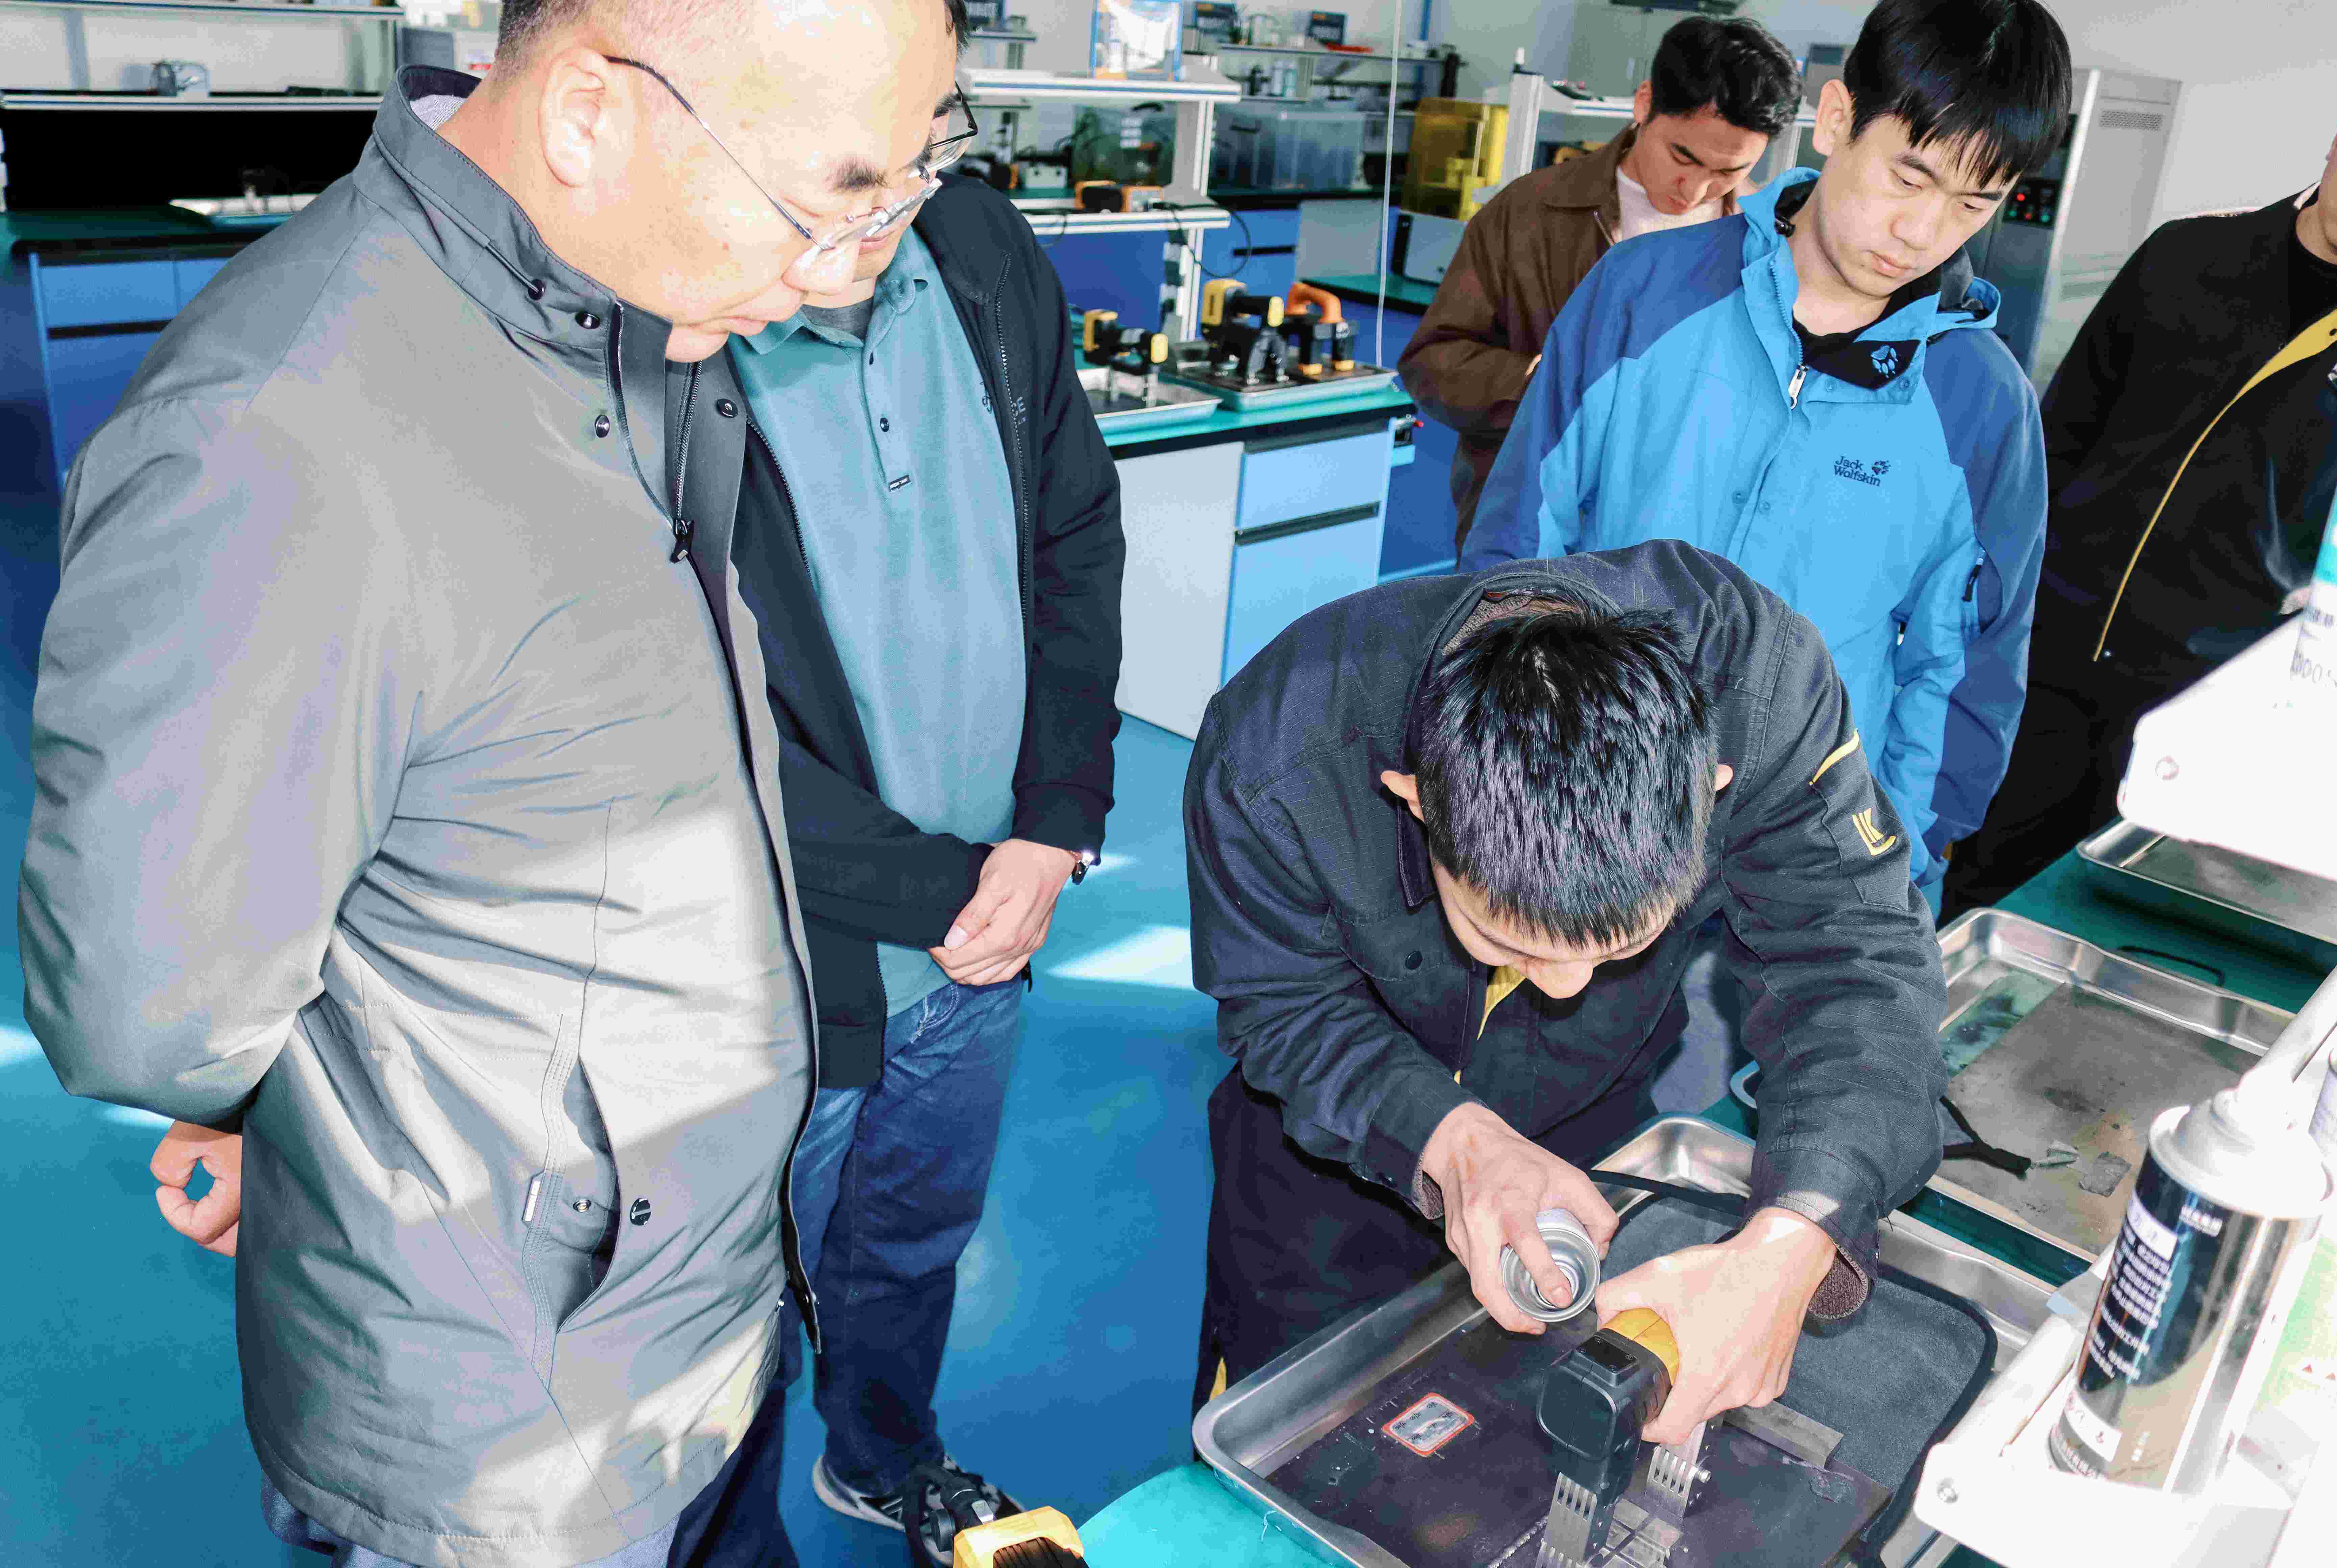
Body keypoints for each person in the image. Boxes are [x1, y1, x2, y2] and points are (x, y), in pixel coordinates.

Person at [25, 0, 964, 1563]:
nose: (848, 273)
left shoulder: (627, 309)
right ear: (589, 112)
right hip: (510, 1427)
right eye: (830, 198)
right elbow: (153, 1002)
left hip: (702, 1325)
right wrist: (291, 1113)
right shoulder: (282, 439)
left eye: (913, 176)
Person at [1184, 542, 1949, 1436]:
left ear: (1714, 792)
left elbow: (1854, 962)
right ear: (1416, 803)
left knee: (1530, 1430)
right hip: (1331, 1158)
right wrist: (1451, 1139)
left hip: (1589, 1126)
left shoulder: (1764, 694)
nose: (1565, 987)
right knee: (1294, 1438)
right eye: (1509, 943)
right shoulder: (1278, 754)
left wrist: (1797, 1235)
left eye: (1623, 945)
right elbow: (1284, 1001)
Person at [724, 59, 1123, 1554]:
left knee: (912, 1237)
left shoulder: (975, 243)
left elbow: (1076, 531)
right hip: (789, 954)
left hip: (991, 919)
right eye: (855, 174)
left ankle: (884, 1457)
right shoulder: (667, 326)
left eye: (925, 147)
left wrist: (1055, 821)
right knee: (733, 1300)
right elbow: (681, 719)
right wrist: (947, 890)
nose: (897, 201)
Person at [1460, 0, 2072, 915]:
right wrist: (1504, 773)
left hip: (1807, 871)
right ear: (1836, 120)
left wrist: (1891, 868)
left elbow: (1964, 674)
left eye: (1973, 204)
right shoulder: (1642, 294)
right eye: (1908, 177)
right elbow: (1517, 547)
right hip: (1579, 815)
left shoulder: (1981, 404)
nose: (1923, 231)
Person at [1945, 110, 2337, 912]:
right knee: (1977, 888)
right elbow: (2057, 442)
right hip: (2051, 652)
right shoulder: (2189, 254)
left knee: (2113, 912)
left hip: (2197, 700)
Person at [1397, 17, 1802, 553]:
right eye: (1682, 156)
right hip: (1528, 527)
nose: (1694, 191)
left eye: (1728, 171)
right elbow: (1431, 362)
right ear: (1644, 104)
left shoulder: (1768, 243)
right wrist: (1545, 383)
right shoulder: (1528, 212)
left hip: (1677, 544)